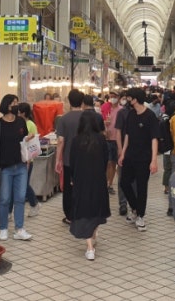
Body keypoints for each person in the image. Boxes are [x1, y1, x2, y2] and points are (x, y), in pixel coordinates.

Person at [0, 95, 33, 242]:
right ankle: (3, 228)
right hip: (4, 168)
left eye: (17, 103)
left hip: (21, 166)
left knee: (20, 198)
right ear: (6, 106)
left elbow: (23, 142)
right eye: (13, 103)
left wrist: (28, 148)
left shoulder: (21, 122)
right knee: (4, 199)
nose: (16, 105)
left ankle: (19, 229)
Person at [69, 111, 111, 261]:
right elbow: (106, 160)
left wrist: (73, 177)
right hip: (98, 179)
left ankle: (90, 247)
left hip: (81, 180)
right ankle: (93, 235)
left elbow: (72, 162)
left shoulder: (76, 141)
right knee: (96, 208)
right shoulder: (101, 139)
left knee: (83, 210)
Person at [118, 87, 159, 231]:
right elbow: (127, 135)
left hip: (144, 158)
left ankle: (140, 216)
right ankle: (135, 208)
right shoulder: (130, 115)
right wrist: (123, 153)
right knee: (124, 183)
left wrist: (154, 160)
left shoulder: (150, 116)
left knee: (142, 187)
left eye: (129, 98)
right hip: (130, 155)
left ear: (135, 99)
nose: (127, 100)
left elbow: (154, 139)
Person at [55, 89, 85, 225]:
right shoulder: (88, 117)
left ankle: (70, 216)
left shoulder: (64, 119)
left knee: (68, 188)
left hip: (68, 160)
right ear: (82, 102)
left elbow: (61, 141)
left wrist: (58, 160)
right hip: (86, 159)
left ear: (69, 101)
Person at [16, 102, 41, 217]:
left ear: (23, 113)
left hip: (27, 160)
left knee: (24, 184)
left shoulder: (30, 124)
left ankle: (34, 203)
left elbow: (33, 144)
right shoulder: (18, 123)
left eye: (18, 112)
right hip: (18, 158)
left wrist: (29, 160)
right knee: (21, 184)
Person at [101, 90, 121, 195]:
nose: (112, 98)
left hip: (116, 139)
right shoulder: (105, 107)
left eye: (114, 96)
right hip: (106, 138)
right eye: (111, 96)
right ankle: (104, 183)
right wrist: (104, 125)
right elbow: (100, 121)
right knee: (107, 162)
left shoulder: (121, 110)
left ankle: (110, 184)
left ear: (118, 98)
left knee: (113, 163)